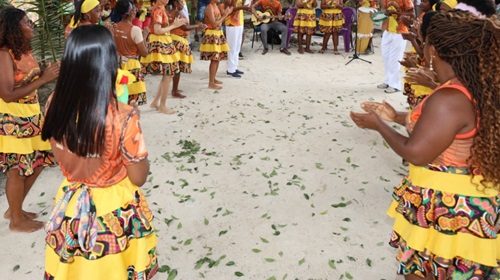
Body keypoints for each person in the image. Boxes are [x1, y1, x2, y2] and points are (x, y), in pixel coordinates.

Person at [351, 10, 499, 279]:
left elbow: (416, 153)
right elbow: (440, 130)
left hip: (451, 207)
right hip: (466, 200)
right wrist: (394, 116)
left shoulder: (450, 98)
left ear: (432, 49)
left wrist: (378, 124)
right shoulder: (471, 86)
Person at [42, 25, 158, 279]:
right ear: (108, 61)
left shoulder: (52, 103)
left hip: (70, 202)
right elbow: (138, 177)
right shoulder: (123, 115)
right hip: (112, 208)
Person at [0, 7, 59, 232]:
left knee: (42, 158)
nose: (31, 25)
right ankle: (16, 220)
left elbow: (28, 78)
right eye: (26, 22)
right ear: (15, 28)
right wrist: (43, 79)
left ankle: (15, 208)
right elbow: (6, 93)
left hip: (31, 115)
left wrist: (46, 72)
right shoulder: (4, 54)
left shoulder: (23, 50)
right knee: (16, 168)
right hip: (12, 118)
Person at [140, 0, 187, 114]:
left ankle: (157, 102)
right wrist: (174, 26)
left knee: (168, 74)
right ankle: (162, 105)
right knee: (168, 74)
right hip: (161, 42)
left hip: (163, 41)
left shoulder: (159, 8)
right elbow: (157, 30)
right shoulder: (158, 10)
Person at [112, 0, 149, 105]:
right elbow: (144, 52)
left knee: (121, 99)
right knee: (132, 102)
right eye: (134, 9)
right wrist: (145, 35)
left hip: (118, 66)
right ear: (129, 13)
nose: (136, 11)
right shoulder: (135, 30)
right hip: (132, 67)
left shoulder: (114, 27)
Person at [169, 0, 205, 97]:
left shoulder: (173, 12)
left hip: (176, 39)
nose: (183, 4)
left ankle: (175, 88)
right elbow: (185, 28)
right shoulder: (176, 13)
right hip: (178, 40)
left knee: (177, 67)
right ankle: (174, 91)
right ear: (175, 3)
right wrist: (198, 25)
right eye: (180, 3)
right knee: (177, 67)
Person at [377, 0, 414, 93]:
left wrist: (397, 13)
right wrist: (386, 12)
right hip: (388, 29)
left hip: (400, 31)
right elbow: (384, 10)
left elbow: (411, 13)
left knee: (395, 58)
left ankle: (395, 85)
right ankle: (387, 81)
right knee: (386, 57)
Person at [200, 0, 232, 89]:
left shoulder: (216, 6)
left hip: (217, 33)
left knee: (217, 58)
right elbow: (214, 24)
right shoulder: (209, 7)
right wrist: (225, 15)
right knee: (214, 59)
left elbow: (219, 21)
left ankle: (213, 79)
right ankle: (211, 83)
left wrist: (226, 14)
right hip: (212, 34)